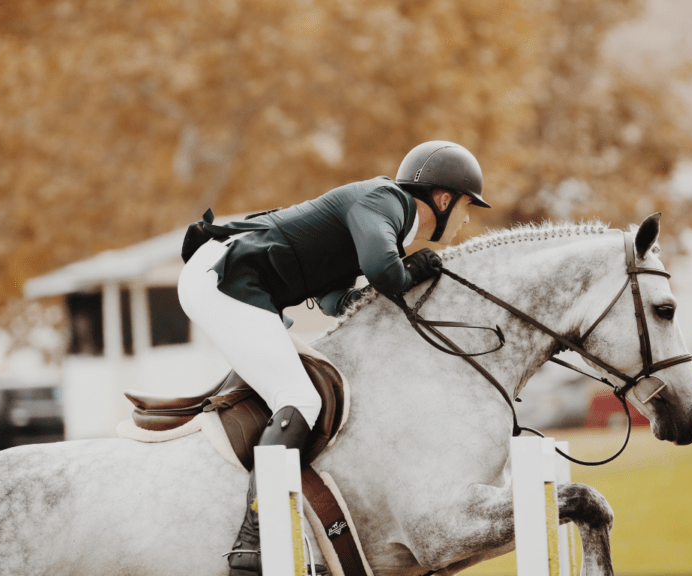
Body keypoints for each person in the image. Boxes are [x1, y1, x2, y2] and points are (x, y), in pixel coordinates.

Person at [176, 140, 489, 576]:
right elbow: (386, 273)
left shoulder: (384, 215)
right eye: (468, 205)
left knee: (311, 391)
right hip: (225, 279)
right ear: (443, 198)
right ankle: (255, 539)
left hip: (233, 278)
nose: (468, 217)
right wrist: (420, 266)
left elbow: (332, 299)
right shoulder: (385, 203)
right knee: (302, 399)